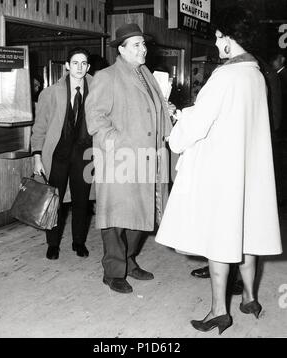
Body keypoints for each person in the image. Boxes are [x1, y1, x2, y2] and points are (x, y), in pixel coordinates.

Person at [155, 6, 282, 334]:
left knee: (220, 241)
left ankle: (217, 312)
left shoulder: (225, 76)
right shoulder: (256, 74)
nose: (216, 44)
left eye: (218, 37)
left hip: (223, 172)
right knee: (248, 235)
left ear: (230, 38)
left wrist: (177, 124)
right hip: (249, 169)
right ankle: (250, 299)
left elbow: (198, 123)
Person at [85, 23, 173, 294]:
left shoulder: (146, 74)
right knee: (115, 219)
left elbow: (151, 111)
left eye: (143, 44)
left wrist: (165, 114)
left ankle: (128, 260)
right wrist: (118, 143)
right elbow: (96, 120)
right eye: (136, 45)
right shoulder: (106, 77)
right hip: (120, 160)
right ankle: (113, 271)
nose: (143, 49)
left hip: (150, 158)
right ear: (121, 50)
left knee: (143, 214)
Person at [31, 47, 93, 260]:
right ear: (67, 66)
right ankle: (53, 243)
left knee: (82, 201)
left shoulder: (97, 89)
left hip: (85, 155)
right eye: (75, 63)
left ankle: (79, 242)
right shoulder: (50, 93)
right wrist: (37, 156)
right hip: (58, 154)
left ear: (88, 67)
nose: (79, 67)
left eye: (83, 63)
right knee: (54, 201)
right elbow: (39, 127)